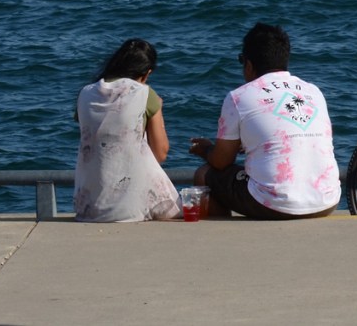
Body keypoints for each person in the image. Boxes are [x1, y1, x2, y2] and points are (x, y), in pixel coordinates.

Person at [189, 23, 341, 219]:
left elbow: (221, 161)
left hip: (275, 205)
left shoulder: (239, 97)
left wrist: (206, 149)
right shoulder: (314, 91)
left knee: (205, 175)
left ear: (249, 64)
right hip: (326, 200)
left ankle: (223, 237)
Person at [74, 38, 180, 222]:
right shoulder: (145, 93)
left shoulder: (85, 93)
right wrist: (158, 108)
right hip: (130, 208)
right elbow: (160, 153)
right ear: (147, 73)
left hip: (88, 207)